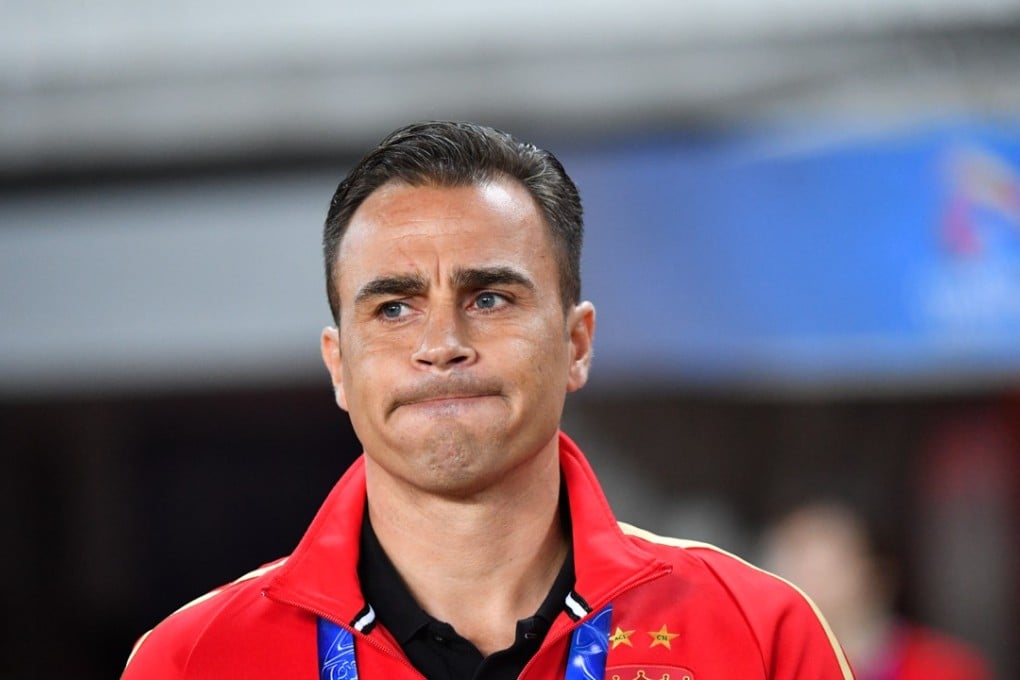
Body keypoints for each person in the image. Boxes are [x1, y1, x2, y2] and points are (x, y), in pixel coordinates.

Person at [121, 121, 854, 679]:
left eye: (491, 297)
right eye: (394, 308)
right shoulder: (194, 658)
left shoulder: (758, 634)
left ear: (576, 344)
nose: (442, 342)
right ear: (338, 366)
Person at [760, 500, 992, 680]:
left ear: (875, 573)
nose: (802, 581)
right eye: (790, 563)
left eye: (820, 569)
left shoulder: (945, 668)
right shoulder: (766, 667)